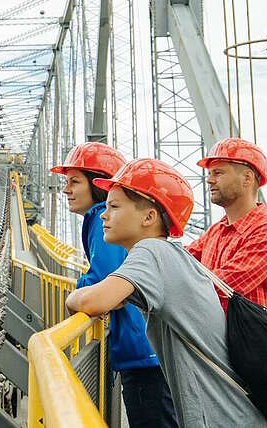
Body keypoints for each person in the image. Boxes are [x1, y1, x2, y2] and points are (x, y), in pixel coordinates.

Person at [65, 158, 267, 427]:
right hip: (235, 413)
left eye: (114, 206)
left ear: (149, 217)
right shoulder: (173, 254)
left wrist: (72, 297)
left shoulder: (152, 253)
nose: (103, 214)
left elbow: (93, 300)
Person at [49, 143, 177, 426]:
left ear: (97, 185)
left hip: (143, 356)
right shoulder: (154, 247)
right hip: (150, 354)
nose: (66, 189)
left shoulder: (98, 220)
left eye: (74, 181)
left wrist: (80, 289)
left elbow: (104, 281)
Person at [189, 137, 267, 329]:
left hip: (259, 354)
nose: (209, 180)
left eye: (218, 173)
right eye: (210, 173)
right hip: (232, 349)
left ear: (247, 178)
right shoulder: (215, 232)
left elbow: (220, 287)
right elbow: (181, 260)